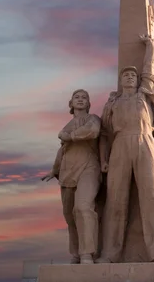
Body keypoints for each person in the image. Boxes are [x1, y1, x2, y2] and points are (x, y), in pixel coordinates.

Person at [96, 34, 154, 263]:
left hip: (145, 142)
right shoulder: (113, 104)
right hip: (120, 145)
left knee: (153, 196)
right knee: (116, 200)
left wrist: (150, 46)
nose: (130, 78)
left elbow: (149, 70)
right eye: (126, 75)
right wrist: (104, 158)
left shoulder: (144, 95)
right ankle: (110, 254)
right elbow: (103, 134)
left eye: (133, 75)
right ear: (121, 81)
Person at [41, 89, 101, 264]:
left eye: (84, 98)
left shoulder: (93, 119)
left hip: (89, 168)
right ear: (71, 103)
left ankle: (87, 253)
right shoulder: (67, 125)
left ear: (89, 103)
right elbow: (63, 150)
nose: (81, 100)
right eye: (77, 97)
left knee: (83, 208)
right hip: (68, 171)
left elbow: (92, 131)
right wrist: (54, 169)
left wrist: (70, 136)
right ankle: (76, 253)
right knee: (70, 215)